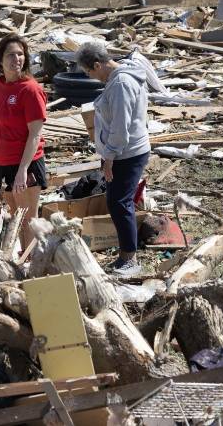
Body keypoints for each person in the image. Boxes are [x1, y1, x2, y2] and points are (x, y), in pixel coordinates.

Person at [76, 42, 150, 276]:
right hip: (124, 152)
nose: (92, 77)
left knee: (120, 203)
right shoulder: (121, 78)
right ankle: (125, 255)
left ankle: (130, 259)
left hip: (126, 153)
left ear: (97, 64)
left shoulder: (120, 83)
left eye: (90, 72)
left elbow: (121, 127)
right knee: (117, 201)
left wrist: (109, 157)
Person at [0, 35, 47, 249]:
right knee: (14, 219)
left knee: (28, 221)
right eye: (11, 55)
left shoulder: (30, 90)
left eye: (20, 54)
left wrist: (23, 169)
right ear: (0, 60)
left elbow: (35, 134)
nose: (17, 59)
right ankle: (22, 263)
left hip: (25, 163)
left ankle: (33, 266)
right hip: (2, 162)